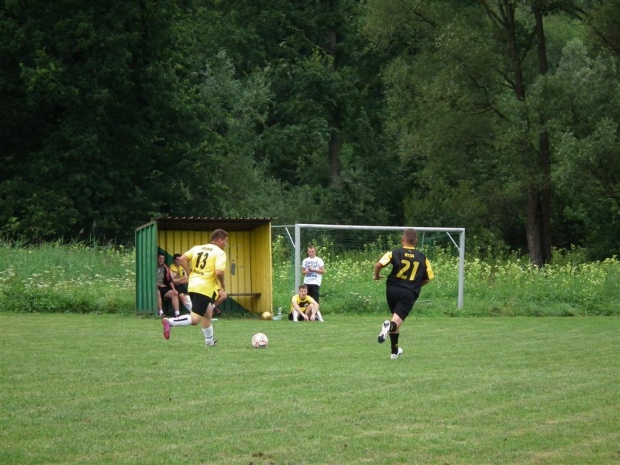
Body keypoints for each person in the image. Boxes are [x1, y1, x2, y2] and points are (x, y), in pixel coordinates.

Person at [373, 228, 434, 359]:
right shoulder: (423, 258)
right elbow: (428, 278)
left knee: (396, 320)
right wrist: (415, 285)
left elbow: (378, 265)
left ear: (402, 239)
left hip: (392, 290)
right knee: (394, 322)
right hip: (408, 293)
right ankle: (388, 327)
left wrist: (377, 276)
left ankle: (394, 352)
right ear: (416, 241)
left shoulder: (394, 252)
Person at [161, 229, 229, 346]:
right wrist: (222, 283)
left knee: (208, 313)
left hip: (193, 285)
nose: (226, 244)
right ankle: (170, 321)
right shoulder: (220, 253)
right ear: (219, 240)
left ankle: (209, 342)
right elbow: (219, 273)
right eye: (225, 242)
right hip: (204, 287)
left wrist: (190, 273)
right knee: (195, 319)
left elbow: (182, 259)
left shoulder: (198, 248)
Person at [301, 244, 325, 321]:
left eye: (313, 252)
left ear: (315, 252)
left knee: (315, 300)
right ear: (308, 252)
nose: (311, 253)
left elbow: (322, 271)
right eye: (310, 252)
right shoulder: (305, 260)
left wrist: (314, 269)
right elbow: (303, 272)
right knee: (307, 300)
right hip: (307, 282)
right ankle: (307, 315)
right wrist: (306, 271)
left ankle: (316, 315)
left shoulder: (319, 260)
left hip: (315, 282)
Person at [156, 252, 180, 317]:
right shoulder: (152, 266)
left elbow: (169, 279)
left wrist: (174, 289)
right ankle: (160, 313)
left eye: (163, 259)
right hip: (154, 287)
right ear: (157, 259)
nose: (161, 260)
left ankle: (177, 314)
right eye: (160, 258)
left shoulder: (165, 267)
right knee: (157, 292)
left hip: (162, 286)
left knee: (174, 294)